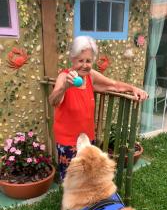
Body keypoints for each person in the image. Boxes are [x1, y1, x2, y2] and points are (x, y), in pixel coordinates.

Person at [49, 36, 148, 182]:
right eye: (80, 60)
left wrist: (133, 88)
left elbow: (113, 85)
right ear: (72, 59)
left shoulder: (90, 76)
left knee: (89, 176)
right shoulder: (64, 77)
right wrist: (65, 87)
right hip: (69, 141)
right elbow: (53, 101)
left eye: (88, 61)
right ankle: (72, 204)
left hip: (88, 138)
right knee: (72, 180)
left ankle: (89, 203)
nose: (84, 65)